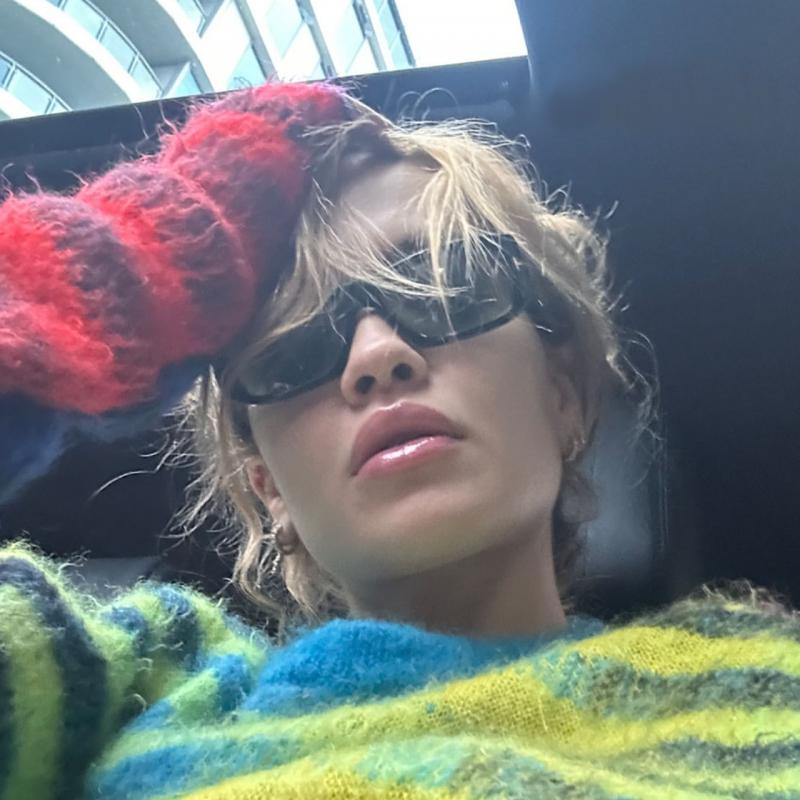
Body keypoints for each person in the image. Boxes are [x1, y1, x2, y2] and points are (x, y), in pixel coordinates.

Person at [0, 80, 798, 800]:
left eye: (443, 288)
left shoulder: (753, 684)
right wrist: (116, 267)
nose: (377, 357)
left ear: (561, 394)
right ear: (267, 488)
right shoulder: (144, 678)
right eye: (295, 347)